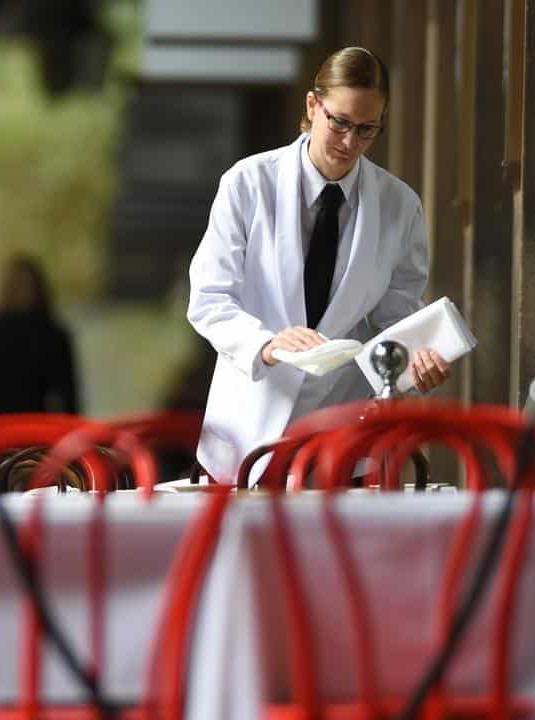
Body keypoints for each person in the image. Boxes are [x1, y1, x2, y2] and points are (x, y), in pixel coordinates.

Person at [187, 46, 452, 485]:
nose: (351, 143)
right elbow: (209, 298)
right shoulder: (248, 183)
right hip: (247, 428)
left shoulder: (399, 205)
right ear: (313, 107)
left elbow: (396, 316)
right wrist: (267, 344)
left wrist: (414, 360)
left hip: (341, 437)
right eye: (341, 123)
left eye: (368, 130)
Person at [0, 256, 80, 415]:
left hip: (27, 425)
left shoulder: (52, 335)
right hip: (8, 425)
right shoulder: (52, 334)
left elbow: (67, 394)